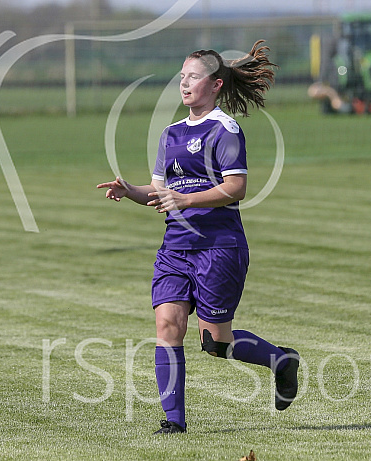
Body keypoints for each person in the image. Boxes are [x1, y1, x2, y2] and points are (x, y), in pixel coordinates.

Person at [97, 40, 299, 435]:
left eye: (193, 77)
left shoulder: (225, 129)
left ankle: (281, 361)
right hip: (176, 247)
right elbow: (159, 192)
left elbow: (237, 187)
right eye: (182, 77)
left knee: (216, 344)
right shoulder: (170, 133)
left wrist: (186, 198)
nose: (184, 84)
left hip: (218, 247)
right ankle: (174, 423)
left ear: (216, 85)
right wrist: (129, 190)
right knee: (168, 325)